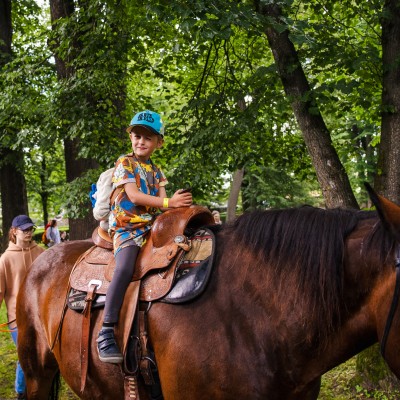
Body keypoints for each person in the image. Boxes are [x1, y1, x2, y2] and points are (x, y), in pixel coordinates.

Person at [96, 110, 193, 363]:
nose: (141, 141)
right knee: (126, 266)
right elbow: (135, 196)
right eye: (137, 136)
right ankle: (106, 329)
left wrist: (179, 204)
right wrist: (169, 201)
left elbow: (164, 204)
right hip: (127, 227)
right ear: (131, 138)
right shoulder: (124, 163)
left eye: (148, 138)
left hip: (151, 227)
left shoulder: (157, 171)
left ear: (158, 143)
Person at [0, 215, 45, 399]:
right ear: (14, 231)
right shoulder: (5, 259)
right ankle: (21, 393)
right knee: (24, 356)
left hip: (41, 315)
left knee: (41, 355)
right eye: (24, 229)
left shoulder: (41, 253)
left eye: (30, 229)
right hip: (16, 318)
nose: (28, 233)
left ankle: (39, 388)